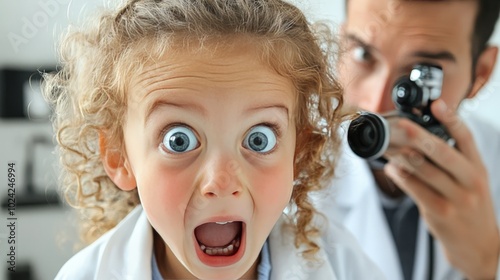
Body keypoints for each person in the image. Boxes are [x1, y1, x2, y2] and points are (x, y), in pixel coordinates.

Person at [43, 0, 386, 279]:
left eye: (258, 139)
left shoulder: (345, 266)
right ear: (120, 157)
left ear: (299, 154)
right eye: (178, 140)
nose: (221, 183)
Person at [315, 0, 500, 279]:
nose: (378, 105)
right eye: (364, 54)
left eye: (422, 72)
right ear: (342, 43)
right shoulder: (286, 175)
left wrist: (486, 264)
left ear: (481, 73)